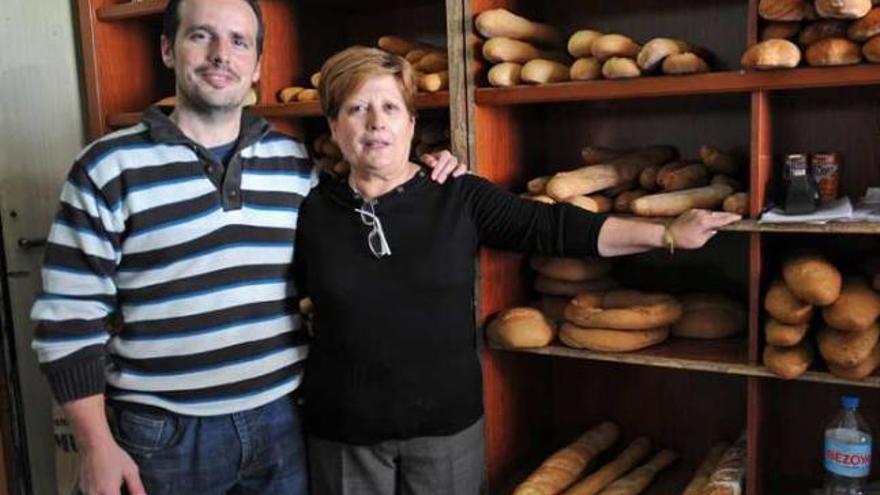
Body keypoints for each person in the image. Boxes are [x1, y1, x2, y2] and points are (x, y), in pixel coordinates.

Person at [29, 2, 463, 494]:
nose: (221, 55)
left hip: (282, 423)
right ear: (168, 49)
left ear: (257, 64)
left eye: (239, 41)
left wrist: (434, 173)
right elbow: (66, 318)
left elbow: (372, 198)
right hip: (163, 436)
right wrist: (95, 445)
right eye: (201, 37)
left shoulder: (295, 165)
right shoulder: (108, 167)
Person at [293, 46, 741, 495]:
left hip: (445, 430)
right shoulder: (308, 210)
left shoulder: (457, 195)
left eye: (390, 106)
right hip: (343, 434)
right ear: (334, 126)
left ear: (411, 122)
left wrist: (666, 234)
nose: (375, 122)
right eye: (356, 108)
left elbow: (554, 227)